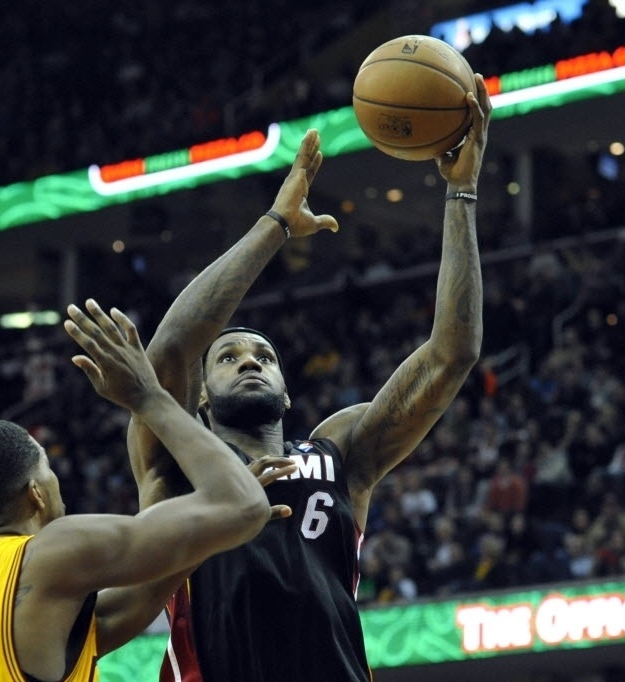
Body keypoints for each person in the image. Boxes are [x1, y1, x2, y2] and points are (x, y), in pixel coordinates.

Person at [127, 75, 491, 681]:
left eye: (264, 357)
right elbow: (171, 347)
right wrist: (275, 224)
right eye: (229, 357)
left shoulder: (340, 449)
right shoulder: (177, 458)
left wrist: (462, 195)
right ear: (198, 397)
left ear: (287, 391)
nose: (249, 360)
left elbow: (451, 354)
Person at [0, 300, 296, 682]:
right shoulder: (50, 552)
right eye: (48, 471)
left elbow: (126, 606)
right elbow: (241, 505)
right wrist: (148, 396)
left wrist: (209, 534)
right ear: (36, 494)